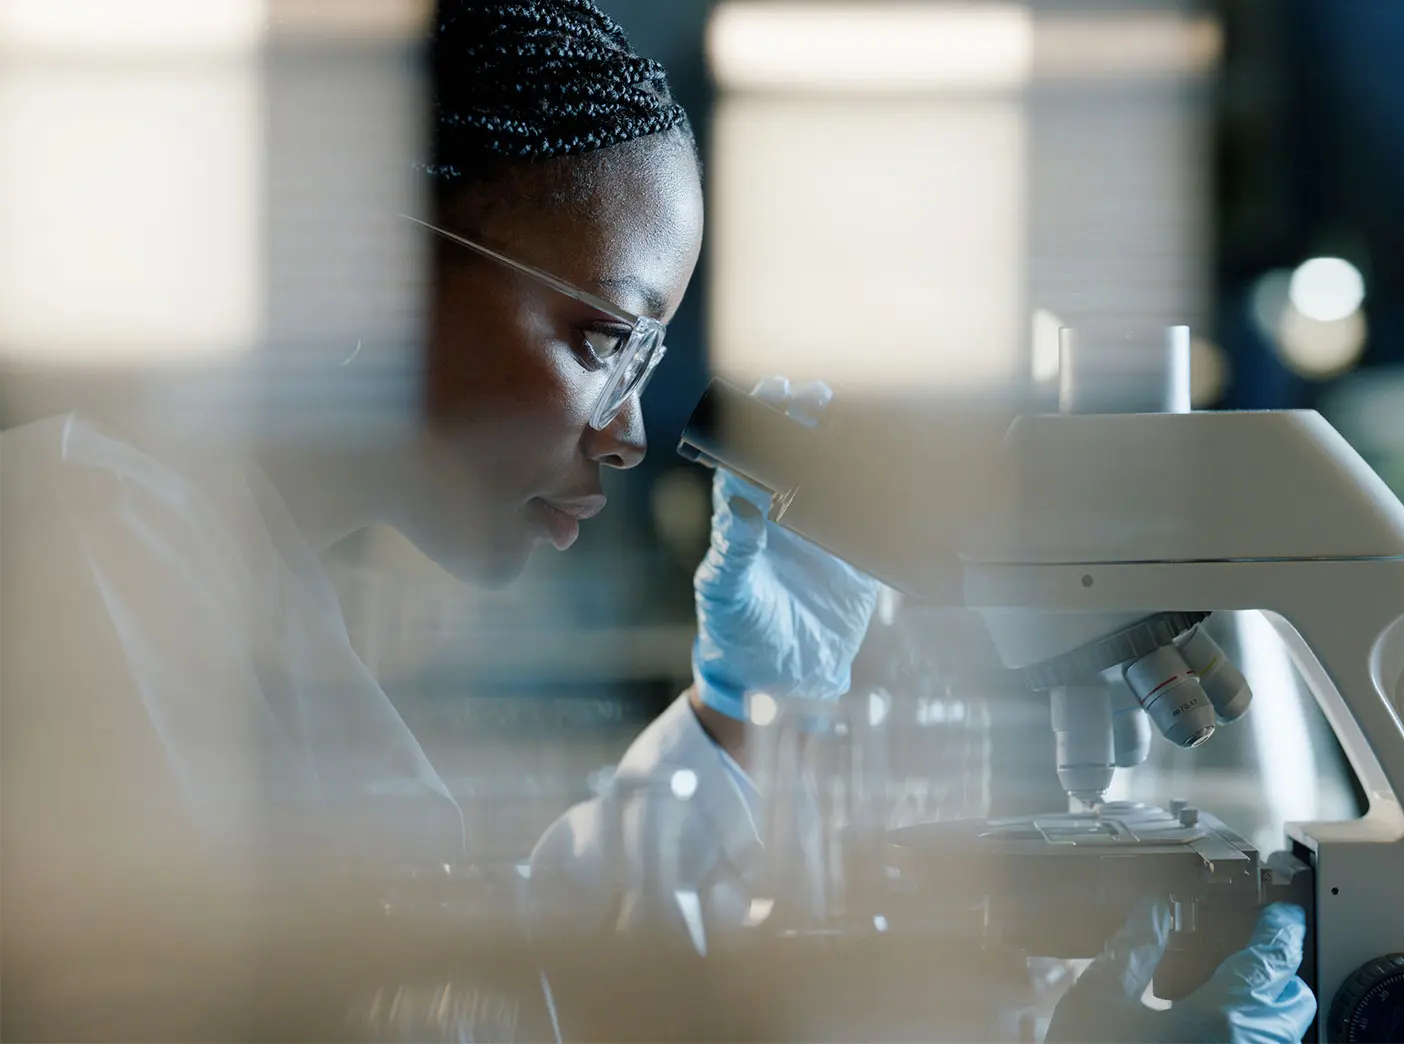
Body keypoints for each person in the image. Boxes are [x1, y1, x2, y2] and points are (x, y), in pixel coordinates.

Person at [0, 1, 1313, 1040]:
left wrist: (751, 706)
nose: (628, 434)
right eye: (601, 339)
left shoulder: (226, 573)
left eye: (646, 365)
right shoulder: (85, 549)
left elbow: (477, 994)